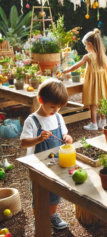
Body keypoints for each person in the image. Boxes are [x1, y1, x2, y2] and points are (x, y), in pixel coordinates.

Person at [20, 78, 73, 230]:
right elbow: (24, 143)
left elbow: (66, 137)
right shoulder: (32, 121)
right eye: (53, 106)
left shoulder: (58, 118)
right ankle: (40, 219)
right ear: (41, 100)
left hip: (56, 164)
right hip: (37, 166)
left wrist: (68, 139)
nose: (56, 110)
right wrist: (38, 138)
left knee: (55, 193)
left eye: (59, 107)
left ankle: (52, 216)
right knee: (38, 195)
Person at [63, 29, 107, 130]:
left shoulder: (88, 56)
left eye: (85, 45)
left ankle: (93, 124)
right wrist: (102, 79)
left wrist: (67, 70)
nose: (85, 47)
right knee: (102, 102)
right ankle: (103, 122)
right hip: (102, 83)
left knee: (93, 104)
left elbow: (77, 66)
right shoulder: (102, 55)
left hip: (93, 84)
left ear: (90, 44)